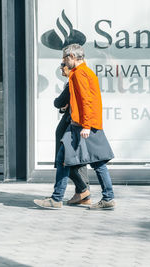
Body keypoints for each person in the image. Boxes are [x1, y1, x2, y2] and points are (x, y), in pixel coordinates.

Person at [34, 44, 115, 210]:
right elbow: (81, 100)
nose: (63, 63)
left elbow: (86, 101)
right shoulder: (84, 73)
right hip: (84, 124)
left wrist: (86, 125)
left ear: (72, 56)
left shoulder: (79, 74)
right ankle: (107, 197)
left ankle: (58, 199)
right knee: (89, 162)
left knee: (79, 161)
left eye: (65, 59)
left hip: (83, 126)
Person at [54, 62, 90, 205]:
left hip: (70, 126)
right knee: (77, 161)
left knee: (65, 160)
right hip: (74, 124)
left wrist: (58, 103)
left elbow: (59, 102)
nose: (61, 66)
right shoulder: (74, 81)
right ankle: (82, 195)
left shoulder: (72, 82)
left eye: (63, 64)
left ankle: (82, 191)